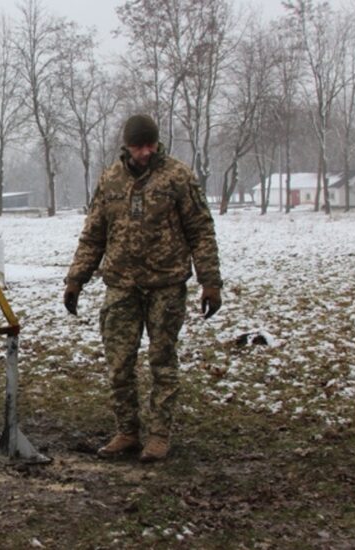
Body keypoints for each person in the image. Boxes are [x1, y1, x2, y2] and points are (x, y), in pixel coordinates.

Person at [64, 114, 223, 463]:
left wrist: (209, 281)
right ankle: (127, 431)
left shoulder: (178, 177)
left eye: (151, 145)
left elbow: (201, 230)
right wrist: (76, 278)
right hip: (121, 285)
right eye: (139, 146)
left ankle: (159, 436)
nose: (146, 152)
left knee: (162, 362)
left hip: (166, 285)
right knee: (119, 364)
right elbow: (94, 234)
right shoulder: (111, 180)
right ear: (127, 146)